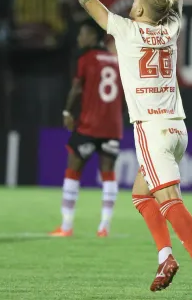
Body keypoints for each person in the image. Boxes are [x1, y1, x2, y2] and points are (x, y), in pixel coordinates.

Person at [63, 0, 192, 298]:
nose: (130, 2)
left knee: (168, 199)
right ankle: (166, 257)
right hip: (177, 129)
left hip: (151, 129)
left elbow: (87, 0)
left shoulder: (127, 31)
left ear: (138, 9)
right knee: (140, 194)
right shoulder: (170, 29)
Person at [49, 21, 123, 238]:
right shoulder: (117, 61)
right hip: (112, 127)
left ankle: (66, 225)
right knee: (108, 174)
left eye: (82, 34)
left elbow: (77, 88)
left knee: (73, 170)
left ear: (92, 36)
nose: (79, 39)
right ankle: (104, 227)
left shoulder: (86, 59)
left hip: (89, 126)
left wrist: (67, 112)